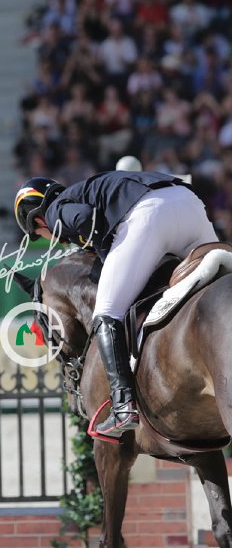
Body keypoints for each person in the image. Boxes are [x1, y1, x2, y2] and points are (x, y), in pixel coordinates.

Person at [13, 172, 218, 438]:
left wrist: (103, 252)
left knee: (107, 312)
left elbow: (84, 219)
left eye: (39, 234)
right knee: (218, 280)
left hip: (151, 214)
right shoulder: (81, 192)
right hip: (189, 203)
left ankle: (123, 405)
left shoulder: (54, 211)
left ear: (38, 219)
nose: (48, 237)